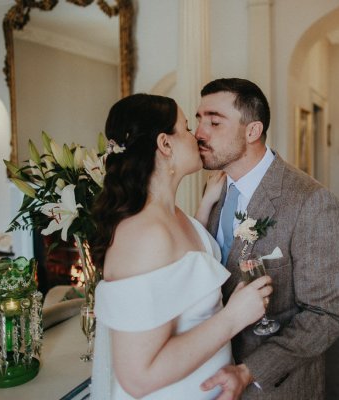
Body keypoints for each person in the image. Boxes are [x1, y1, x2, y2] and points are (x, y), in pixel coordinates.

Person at [90, 93, 273, 399]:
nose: (197, 135)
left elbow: (181, 268)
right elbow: (138, 377)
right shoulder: (143, 235)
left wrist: (205, 206)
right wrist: (233, 317)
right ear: (165, 144)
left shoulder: (173, 215)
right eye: (187, 127)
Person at [195, 78, 339, 399]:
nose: (199, 132)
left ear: (252, 131)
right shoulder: (214, 189)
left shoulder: (312, 201)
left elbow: (327, 315)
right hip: (208, 372)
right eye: (198, 119)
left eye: (213, 121)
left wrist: (249, 370)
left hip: (274, 385)